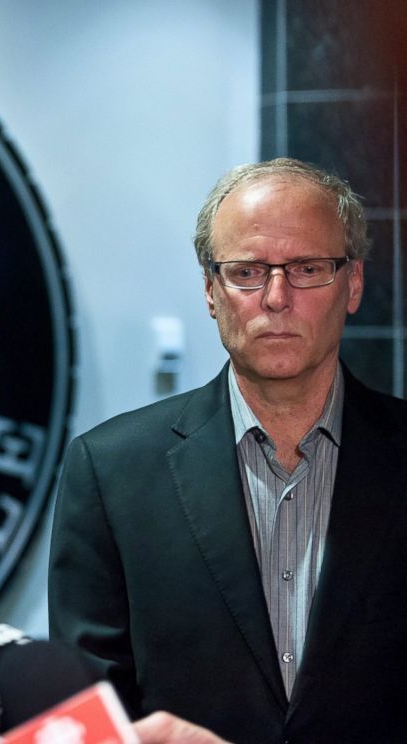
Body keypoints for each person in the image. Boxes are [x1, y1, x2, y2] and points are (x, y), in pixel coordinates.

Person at [49, 157, 407, 743]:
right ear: (211, 291)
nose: (275, 297)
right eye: (246, 272)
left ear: (354, 284)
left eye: (308, 268)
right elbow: (84, 716)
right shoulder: (110, 473)